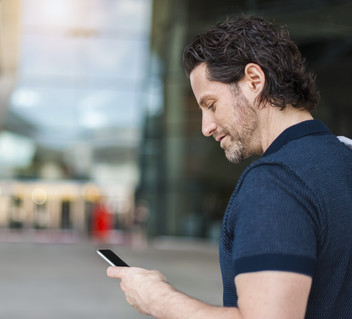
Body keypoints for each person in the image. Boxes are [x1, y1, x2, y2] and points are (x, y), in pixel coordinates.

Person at [106, 15, 352, 318]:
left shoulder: (275, 184)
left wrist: (158, 300)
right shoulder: (344, 159)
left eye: (210, 105)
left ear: (254, 81)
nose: (205, 127)